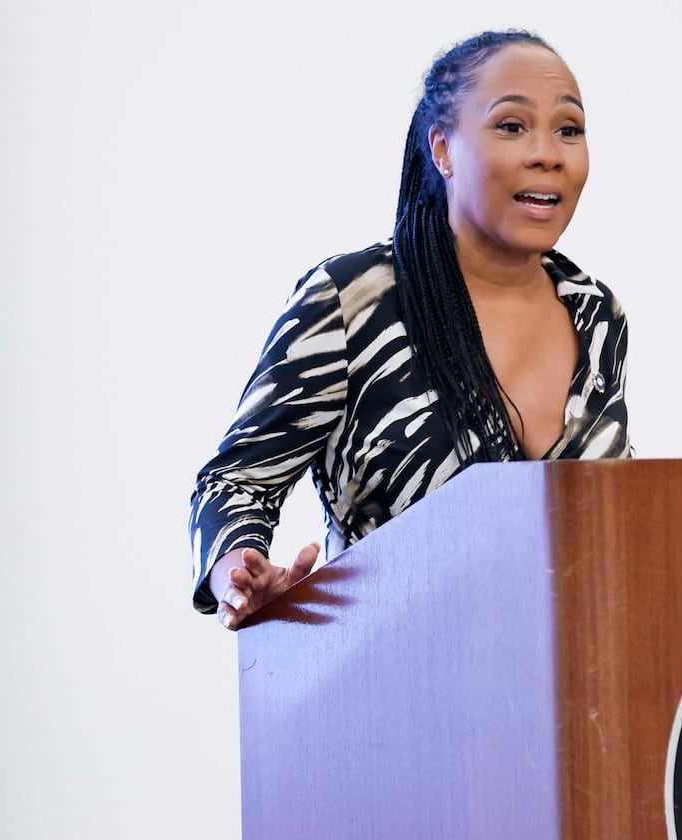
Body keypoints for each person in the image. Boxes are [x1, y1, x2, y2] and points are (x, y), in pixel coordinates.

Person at [189, 30, 631, 631]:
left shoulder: (596, 314)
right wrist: (238, 576)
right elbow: (234, 481)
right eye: (511, 126)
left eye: (569, 130)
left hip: (571, 686)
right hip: (393, 688)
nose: (548, 153)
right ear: (443, 150)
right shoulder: (354, 301)